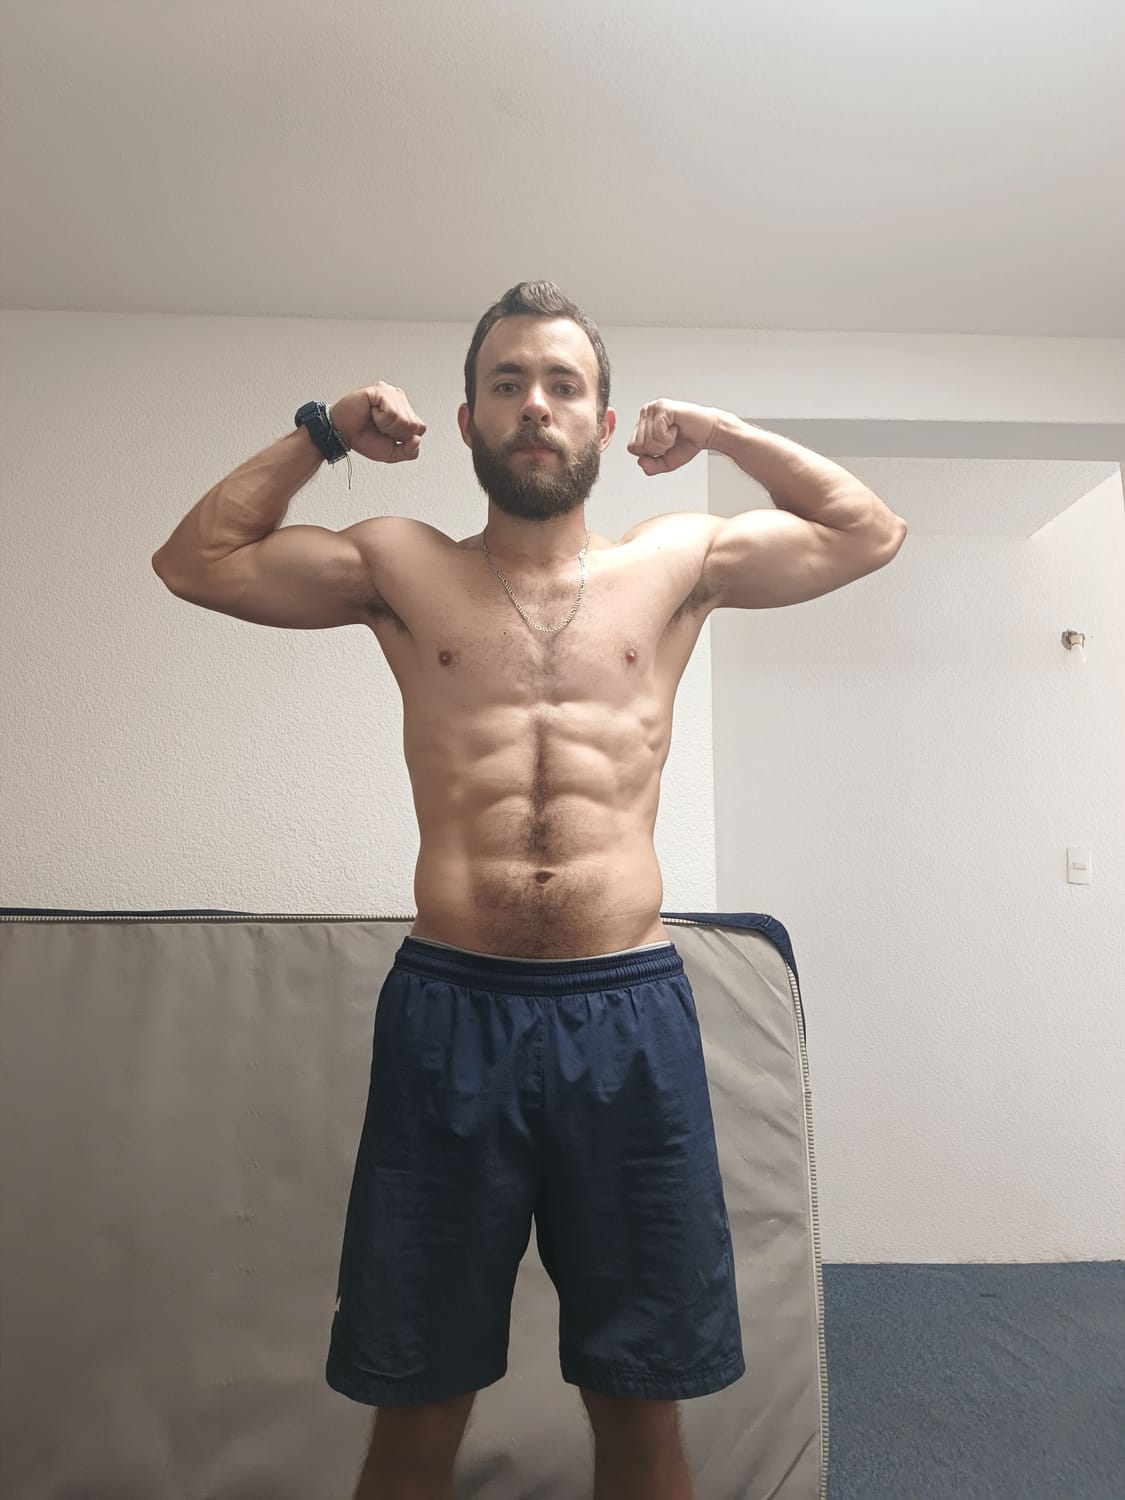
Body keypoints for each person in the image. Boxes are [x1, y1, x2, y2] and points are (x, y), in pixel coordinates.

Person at [152, 281, 906, 1500]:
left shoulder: (677, 559)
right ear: (466, 421)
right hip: (451, 1015)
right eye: (507, 384)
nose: (536, 406)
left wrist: (720, 432)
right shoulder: (401, 563)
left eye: (563, 384)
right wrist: (325, 431)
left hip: (630, 1019)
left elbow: (868, 531)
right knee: (416, 1407)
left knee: (643, 1410)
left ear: (605, 423)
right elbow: (195, 563)